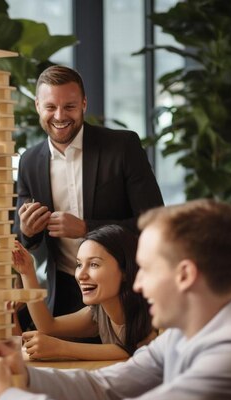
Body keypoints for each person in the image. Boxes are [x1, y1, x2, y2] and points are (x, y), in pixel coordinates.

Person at [0, 199, 231, 400]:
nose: (138, 284)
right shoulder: (187, 333)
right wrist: (23, 374)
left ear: (185, 275)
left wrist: (4, 397)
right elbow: (104, 386)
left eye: (147, 269)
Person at [14, 65, 164, 327]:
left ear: (84, 103)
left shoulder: (123, 147)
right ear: (38, 105)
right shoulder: (28, 161)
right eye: (50, 107)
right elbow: (24, 236)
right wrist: (27, 230)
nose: (60, 116)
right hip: (63, 294)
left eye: (69, 106)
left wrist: (86, 228)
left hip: (123, 291)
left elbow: (154, 222)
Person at [13, 224, 155, 360]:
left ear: (125, 270)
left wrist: (60, 347)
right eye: (79, 265)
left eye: (94, 264)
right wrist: (27, 271)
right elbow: (47, 327)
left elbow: (135, 352)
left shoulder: (154, 313)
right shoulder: (98, 313)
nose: (81, 275)